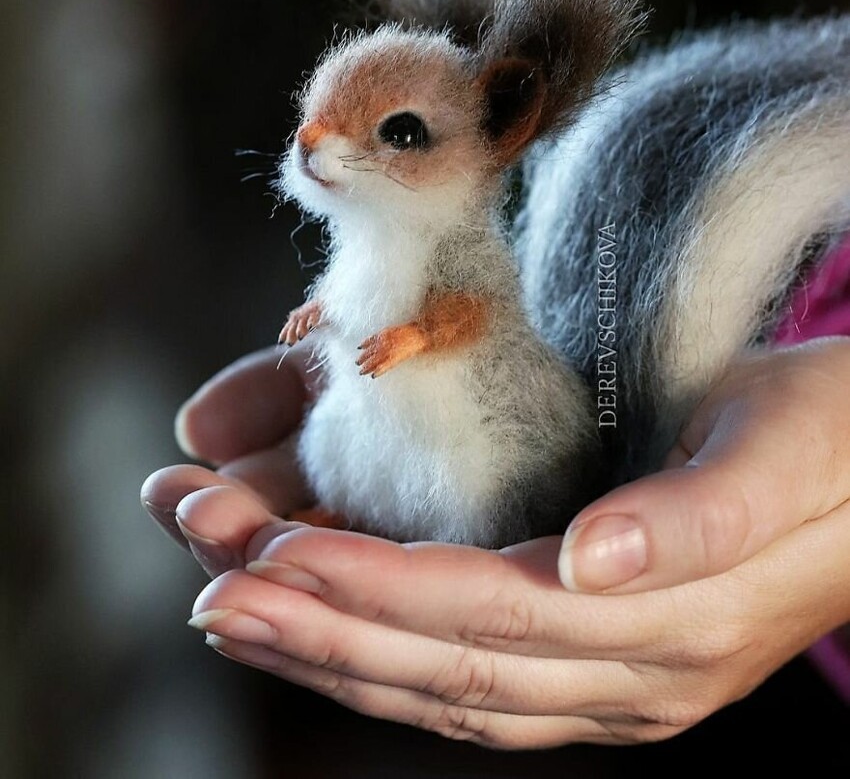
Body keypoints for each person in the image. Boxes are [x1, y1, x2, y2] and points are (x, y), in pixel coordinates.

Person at [142, 237, 850, 749]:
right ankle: (341, 510)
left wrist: (417, 334)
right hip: (795, 317)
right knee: (335, 451)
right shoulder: (369, 238)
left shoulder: (459, 240)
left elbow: (473, 309)